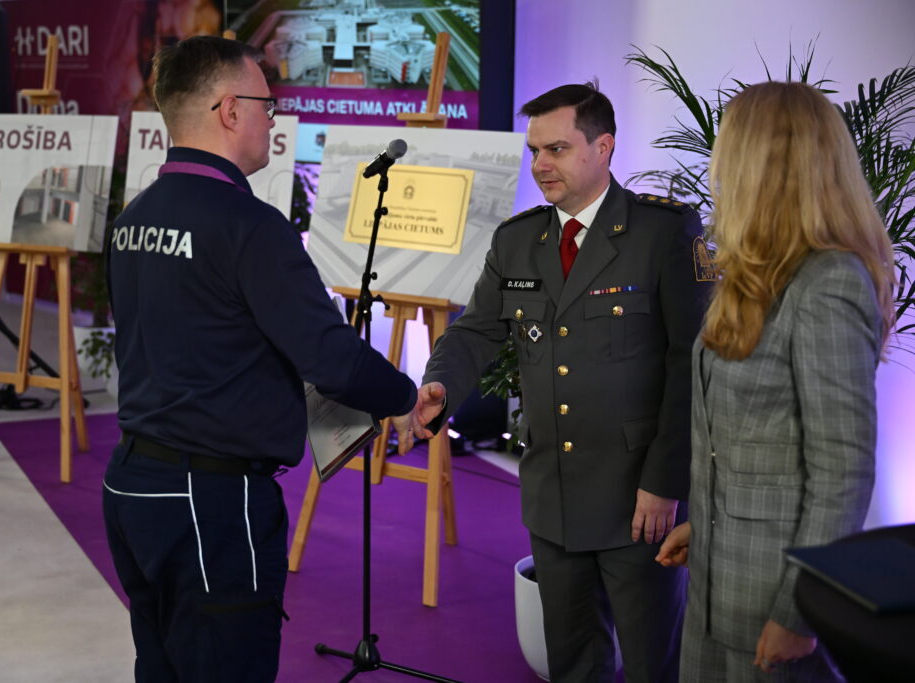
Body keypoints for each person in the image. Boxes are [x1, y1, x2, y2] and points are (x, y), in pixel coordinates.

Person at [102, 36, 416, 682]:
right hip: (212, 501)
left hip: (133, 484)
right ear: (228, 110)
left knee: (161, 667)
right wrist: (407, 397)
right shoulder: (250, 225)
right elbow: (331, 359)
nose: (273, 120)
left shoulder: (133, 218)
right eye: (267, 105)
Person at [399, 83, 713, 682]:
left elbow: (690, 366)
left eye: (557, 149)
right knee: (572, 664)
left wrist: (665, 482)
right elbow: (475, 331)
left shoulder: (661, 232)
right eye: (534, 151)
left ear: (604, 147)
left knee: (653, 665)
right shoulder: (518, 240)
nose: (540, 164)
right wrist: (440, 384)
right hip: (554, 495)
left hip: (638, 500)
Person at [655, 81, 895, 681]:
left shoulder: (828, 283)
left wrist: (798, 612)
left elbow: (843, 472)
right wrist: (705, 526)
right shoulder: (758, 273)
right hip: (720, 580)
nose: (716, 169)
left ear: (760, 165)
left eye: (727, 150)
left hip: (773, 601)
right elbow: (751, 440)